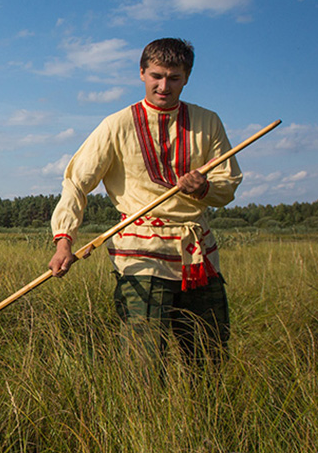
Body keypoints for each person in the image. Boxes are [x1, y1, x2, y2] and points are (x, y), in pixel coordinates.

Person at [47, 38, 242, 366]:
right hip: (141, 258)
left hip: (198, 256)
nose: (164, 85)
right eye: (156, 76)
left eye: (174, 77)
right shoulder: (116, 124)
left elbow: (227, 186)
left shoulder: (208, 122)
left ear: (187, 77)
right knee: (143, 361)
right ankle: (142, 416)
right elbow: (76, 183)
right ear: (141, 74)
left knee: (210, 357)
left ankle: (209, 416)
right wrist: (64, 242)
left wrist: (203, 188)